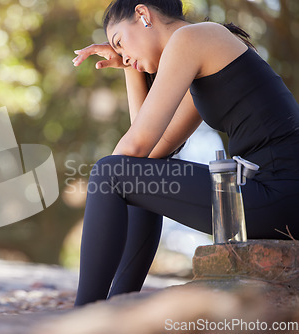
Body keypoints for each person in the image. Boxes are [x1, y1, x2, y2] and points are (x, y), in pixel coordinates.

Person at [71, 0, 299, 306]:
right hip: (268, 195)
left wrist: (104, 180)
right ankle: (113, 307)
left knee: (108, 172)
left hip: (279, 195)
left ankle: (84, 313)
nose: (122, 54)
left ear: (142, 14)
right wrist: (130, 67)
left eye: (120, 42)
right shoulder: (201, 52)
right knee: (136, 178)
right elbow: (149, 153)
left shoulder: (192, 38)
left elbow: (133, 151)